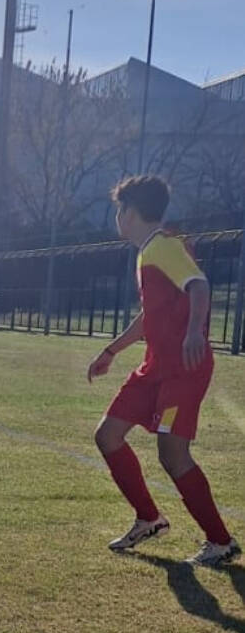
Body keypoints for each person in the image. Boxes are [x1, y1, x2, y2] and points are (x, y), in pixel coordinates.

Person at [88, 175, 239, 567]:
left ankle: (220, 542)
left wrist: (194, 333)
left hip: (182, 371)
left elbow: (200, 286)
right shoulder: (151, 250)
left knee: (172, 454)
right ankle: (148, 518)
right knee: (108, 435)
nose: (117, 218)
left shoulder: (165, 246)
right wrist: (111, 351)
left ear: (130, 212)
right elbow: (148, 316)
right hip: (154, 366)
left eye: (119, 211)